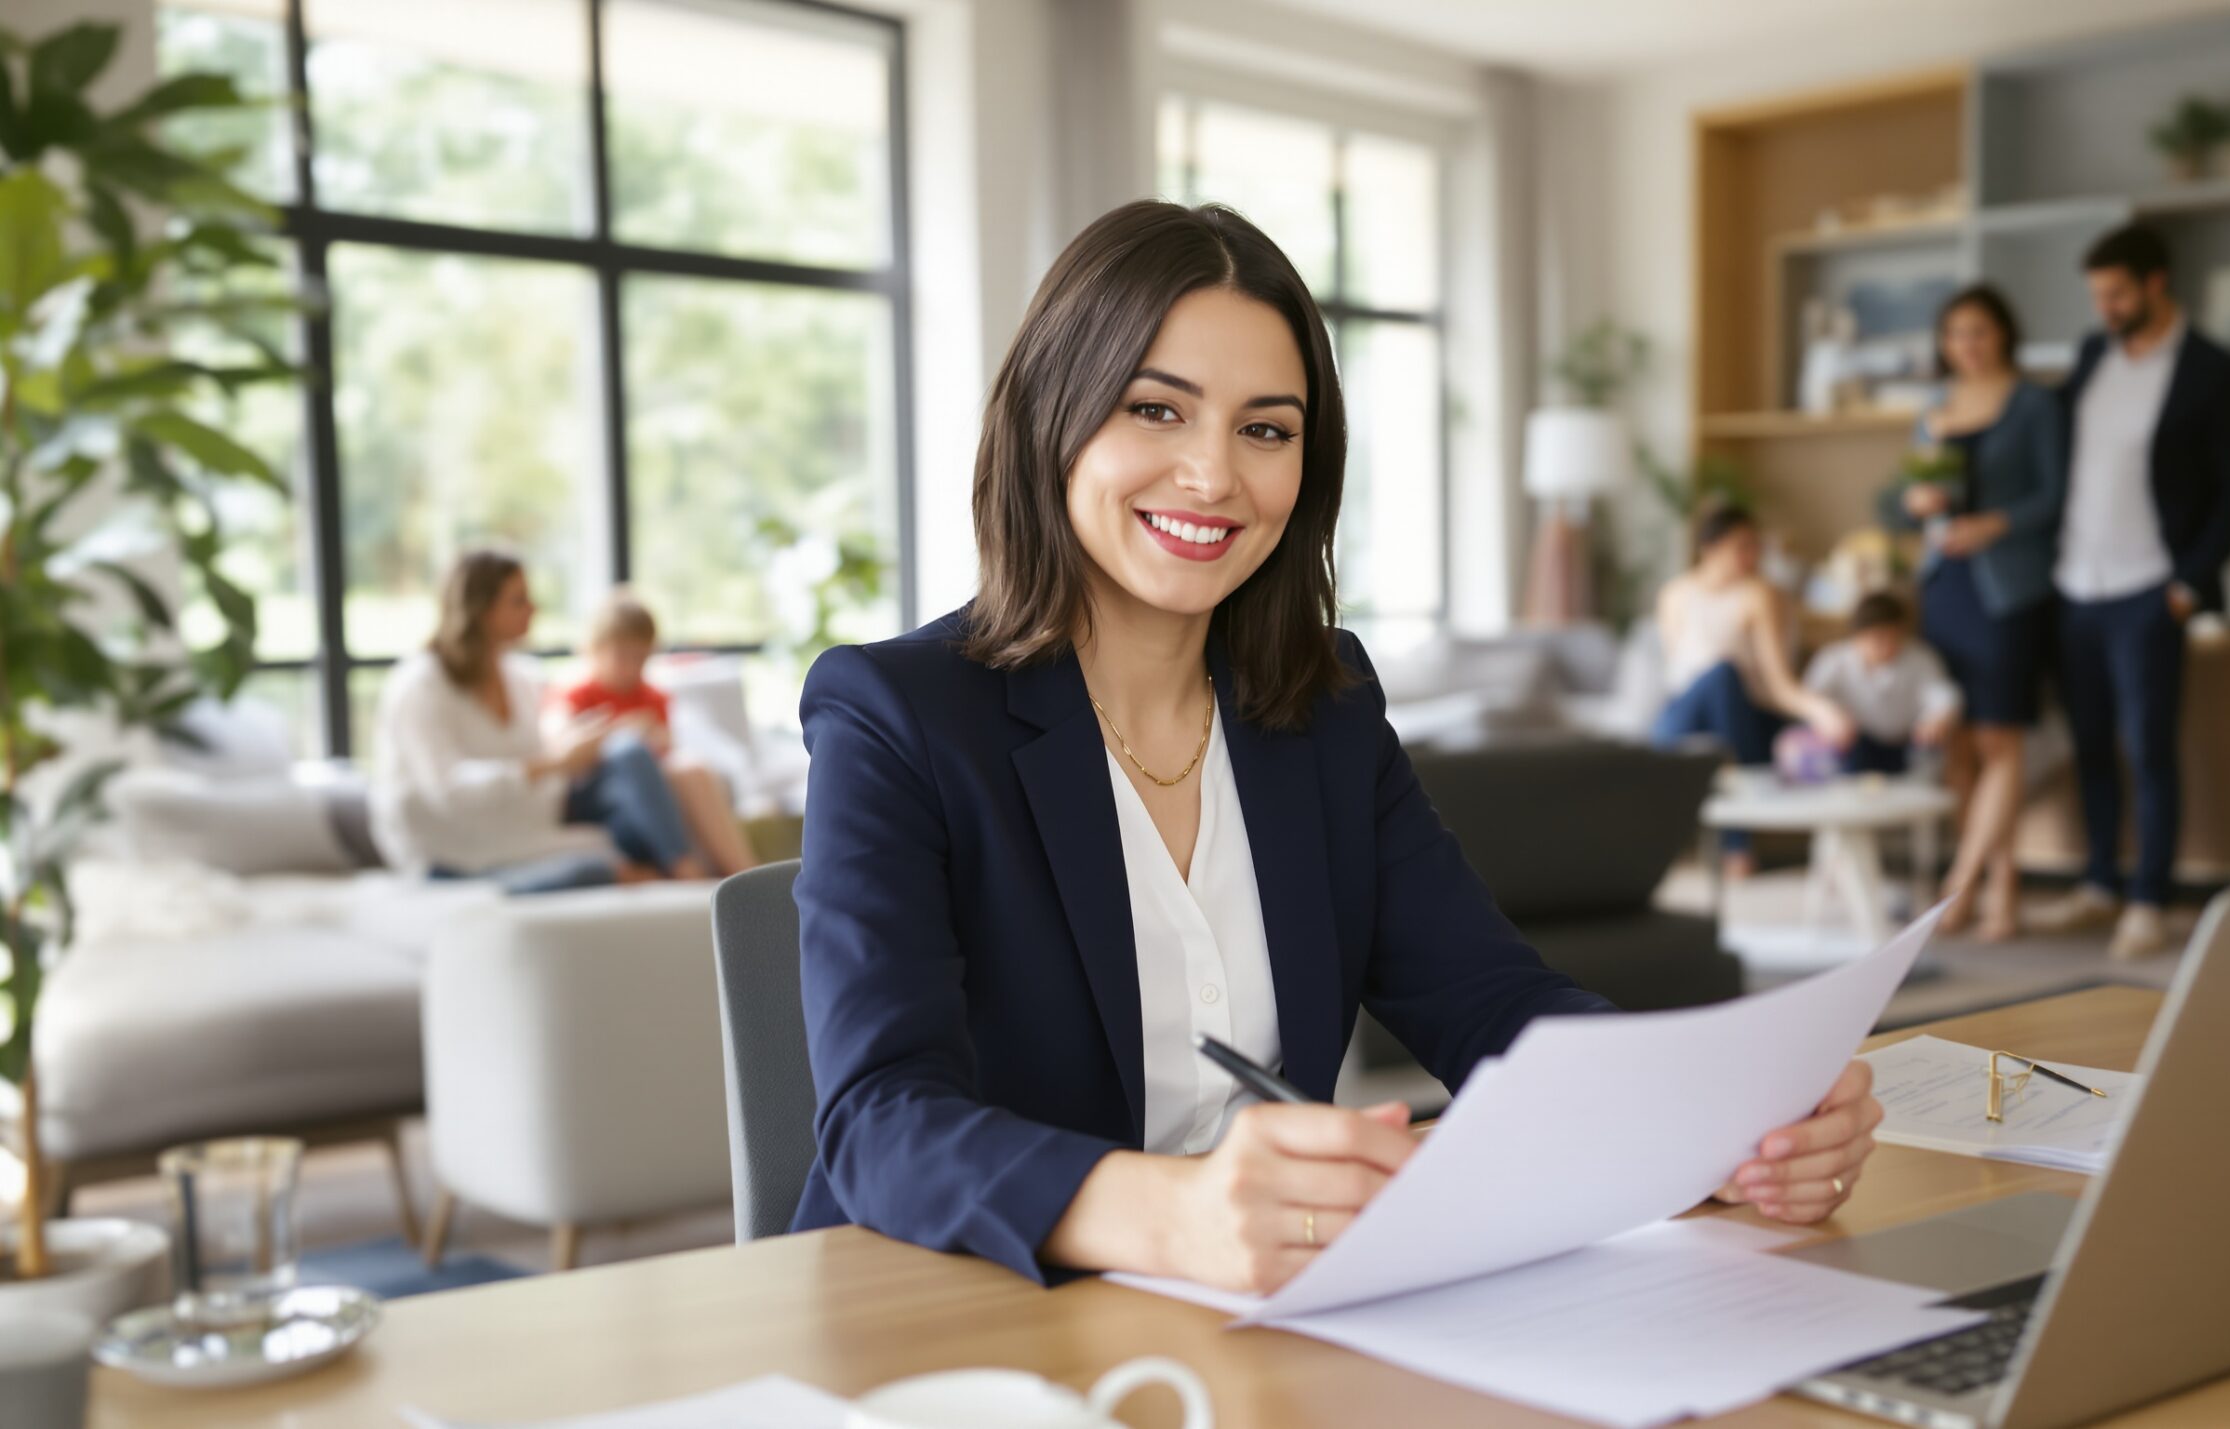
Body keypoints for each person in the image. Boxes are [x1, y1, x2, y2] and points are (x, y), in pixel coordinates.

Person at [790, 200, 1885, 1294]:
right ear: (1051, 416)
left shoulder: (1321, 707)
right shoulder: (896, 715)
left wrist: (1718, 1128)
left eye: (1265, 429)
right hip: (957, 1316)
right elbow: (881, 1120)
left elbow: (1489, 1002)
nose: (1214, 476)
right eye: (1156, 410)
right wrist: (1170, 1215)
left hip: (1263, 1312)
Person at [2034, 225, 2230, 959]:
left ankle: (2148, 898)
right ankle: (2100, 881)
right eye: (2097, 294)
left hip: (2147, 590)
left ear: (2157, 283)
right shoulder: (2093, 355)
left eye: (2117, 293)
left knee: (2148, 747)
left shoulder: (2213, 370)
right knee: (2091, 744)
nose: (2104, 307)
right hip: (2075, 584)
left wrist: (2189, 583)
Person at [1880, 284, 2066, 941]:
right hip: (1946, 582)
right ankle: (2003, 889)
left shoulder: (2035, 403)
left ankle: (1959, 886)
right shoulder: (1934, 408)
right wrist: (1917, 504)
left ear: (2004, 333)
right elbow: (1901, 496)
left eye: (1979, 331)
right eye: (1955, 333)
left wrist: (1993, 524)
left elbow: (2055, 494)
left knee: (1999, 736)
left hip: (2008, 587)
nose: (1968, 344)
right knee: (1958, 738)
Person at [372, 551, 710, 894]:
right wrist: (556, 762)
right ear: (481, 609)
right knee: (589, 871)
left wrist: (594, 740)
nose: (534, 610)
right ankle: (672, 876)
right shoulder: (420, 685)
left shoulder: (522, 677)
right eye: (519, 601)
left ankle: (690, 871)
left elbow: (554, 756)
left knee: (629, 753)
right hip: (451, 853)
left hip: (527, 832)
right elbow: (448, 790)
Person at [1651, 507, 1858, 878]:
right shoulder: (1675, 594)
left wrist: (1821, 711)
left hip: (1740, 716)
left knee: (1726, 679)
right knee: (1717, 677)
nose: (1752, 557)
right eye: (1742, 547)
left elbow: (1778, 683)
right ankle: (1736, 844)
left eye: (1756, 547)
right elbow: (1675, 675)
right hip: (1683, 718)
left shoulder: (1757, 595)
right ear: (1708, 548)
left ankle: (1738, 843)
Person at [555, 588, 759, 877]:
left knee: (691, 767)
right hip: (599, 798)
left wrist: (657, 739)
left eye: (640, 658)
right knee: (629, 748)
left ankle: (745, 875)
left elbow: (665, 753)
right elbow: (565, 756)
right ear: (595, 648)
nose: (631, 668)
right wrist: (621, 729)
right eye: (622, 656)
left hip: (644, 795)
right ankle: (683, 865)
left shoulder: (653, 698)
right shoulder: (577, 696)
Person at [1802, 592, 1961, 778]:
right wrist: (1827, 716)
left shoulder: (1920, 658)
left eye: (1894, 638)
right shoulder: (1834, 659)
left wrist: (1937, 719)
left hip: (1906, 746)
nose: (1887, 647)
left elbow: (1942, 695)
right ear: (1857, 636)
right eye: (1878, 639)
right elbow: (1808, 698)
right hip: (1854, 746)